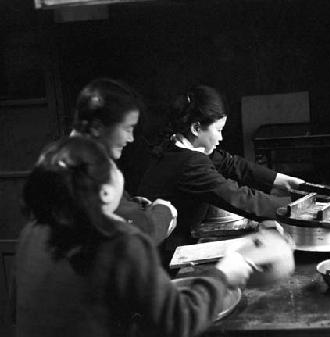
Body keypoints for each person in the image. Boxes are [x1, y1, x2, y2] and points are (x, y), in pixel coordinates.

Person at [15, 136, 252, 337]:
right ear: (106, 192)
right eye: (113, 167)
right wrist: (224, 274)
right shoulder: (119, 240)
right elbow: (178, 320)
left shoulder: (33, 231)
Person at [138, 85, 304, 265]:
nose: (221, 138)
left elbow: (230, 163)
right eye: (218, 130)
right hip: (163, 256)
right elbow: (238, 198)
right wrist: (296, 209)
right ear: (196, 128)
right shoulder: (188, 163)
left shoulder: (177, 145)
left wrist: (280, 180)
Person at [71, 78, 176, 245]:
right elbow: (139, 238)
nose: (131, 138)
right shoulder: (86, 171)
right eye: (127, 129)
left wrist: (131, 203)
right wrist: (164, 211)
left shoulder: (73, 157)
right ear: (97, 127)